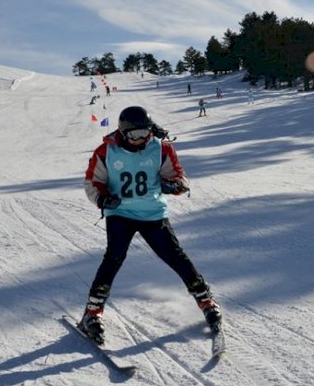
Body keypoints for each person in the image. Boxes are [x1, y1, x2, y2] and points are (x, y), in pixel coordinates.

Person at [81, 106, 222, 344]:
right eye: (134, 135)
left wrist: (175, 185)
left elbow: (179, 176)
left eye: (145, 133)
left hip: (153, 213)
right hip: (121, 213)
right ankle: (92, 313)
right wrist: (103, 199)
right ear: (123, 132)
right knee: (114, 258)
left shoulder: (160, 148)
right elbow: (93, 182)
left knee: (176, 256)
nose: (140, 140)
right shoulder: (107, 151)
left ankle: (206, 301)